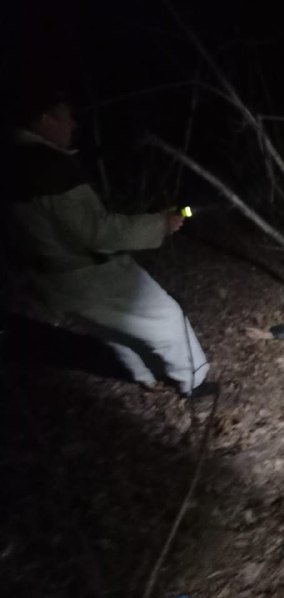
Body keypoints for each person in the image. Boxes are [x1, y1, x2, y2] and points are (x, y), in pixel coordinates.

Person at [0, 90, 215, 398]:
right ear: (46, 120)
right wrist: (160, 225)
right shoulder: (46, 166)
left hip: (52, 281)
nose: (73, 124)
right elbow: (97, 232)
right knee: (167, 316)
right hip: (89, 275)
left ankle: (145, 376)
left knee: (113, 329)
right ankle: (195, 383)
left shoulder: (12, 159)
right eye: (66, 117)